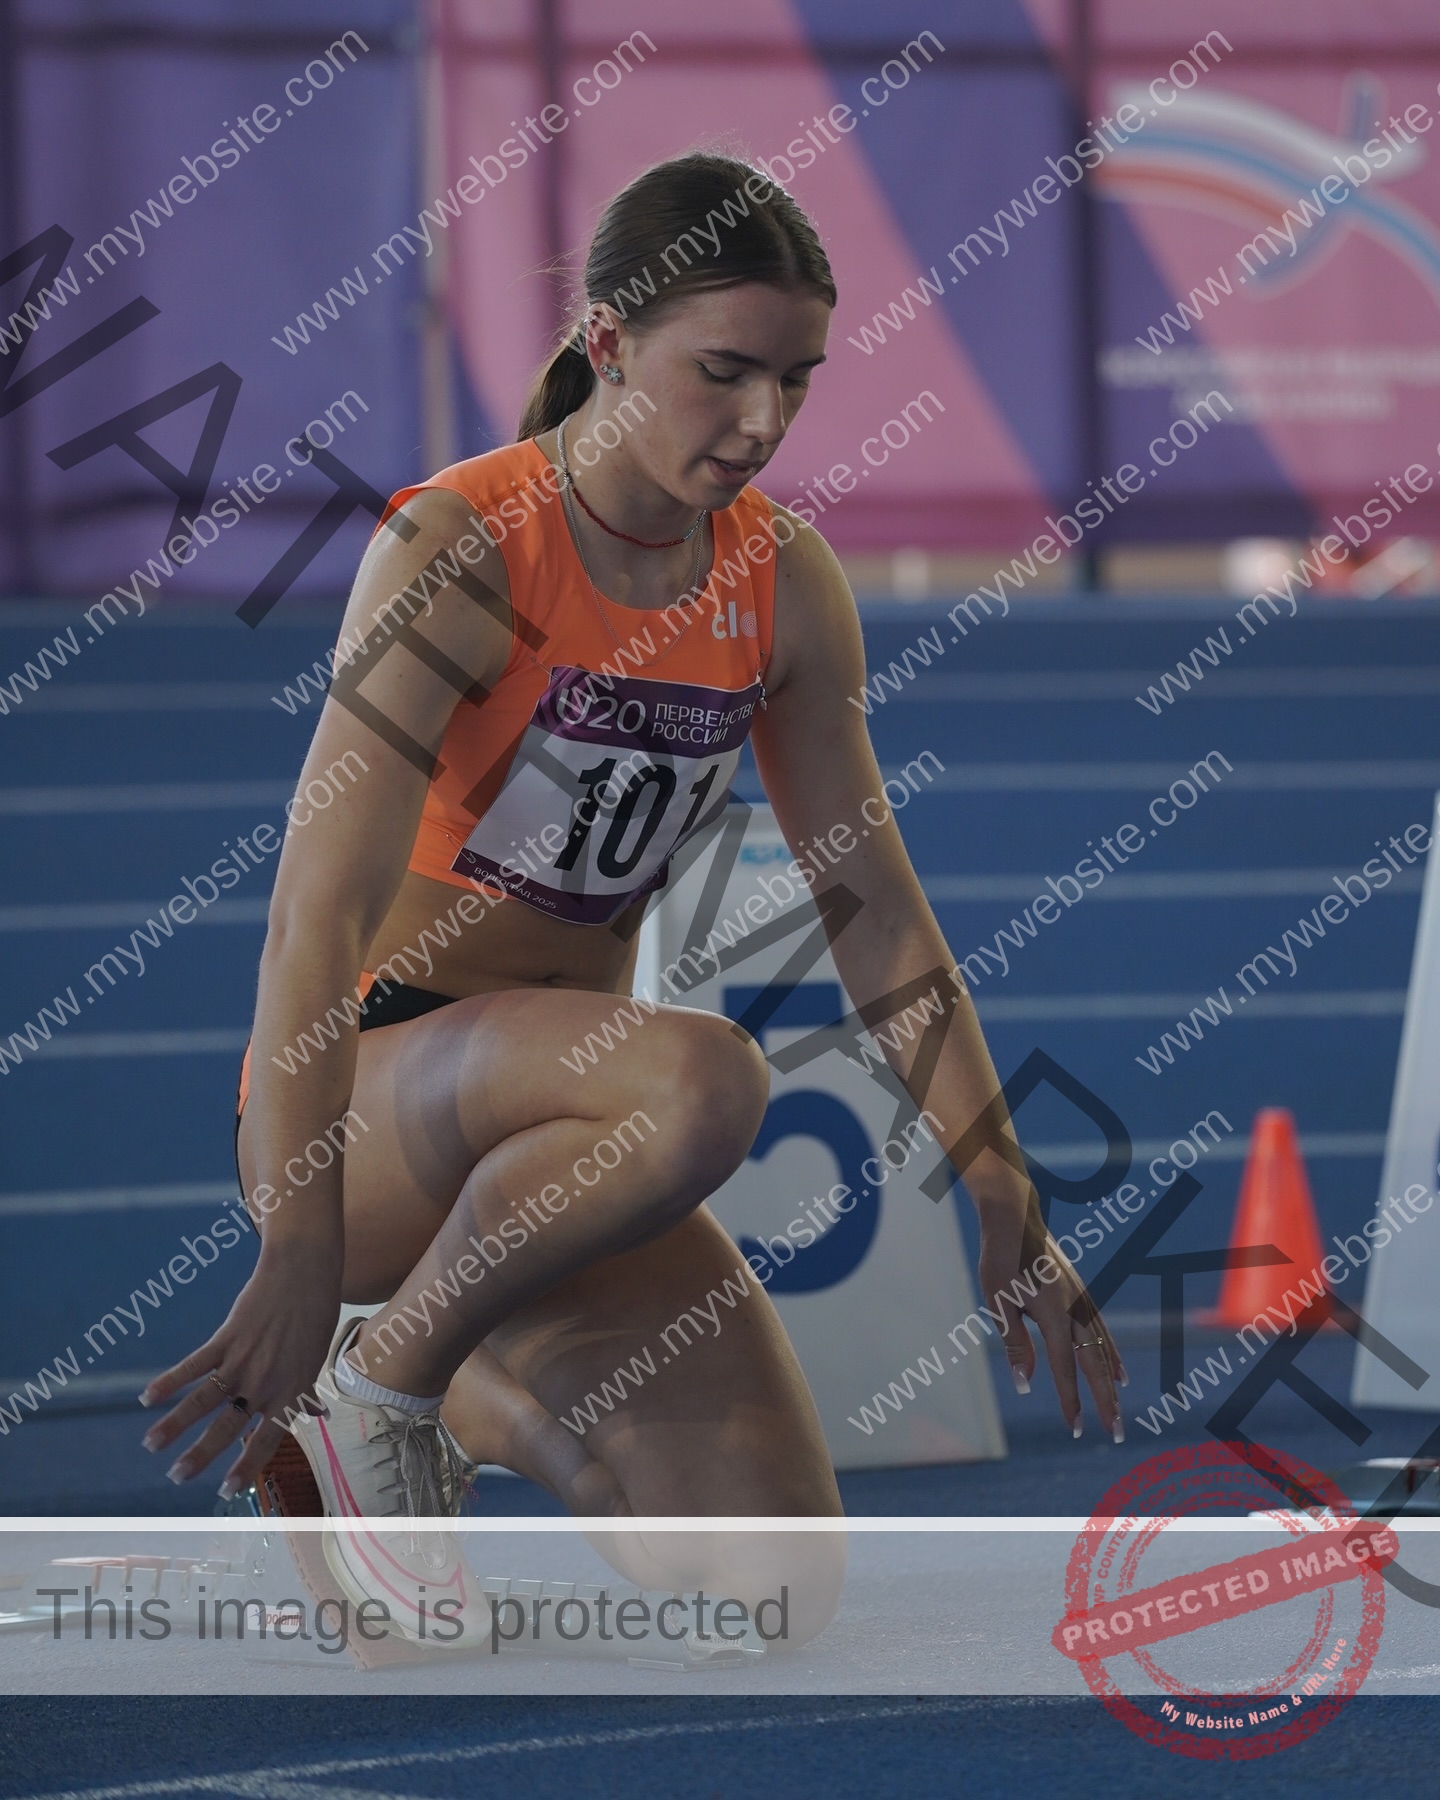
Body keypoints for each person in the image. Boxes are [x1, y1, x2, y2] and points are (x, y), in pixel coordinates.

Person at [138, 151, 1125, 1650]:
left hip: (570, 1154)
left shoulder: (782, 583)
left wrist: (998, 1185)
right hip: (386, 1107)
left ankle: (407, 1391)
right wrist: (295, 1237)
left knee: (771, 1592)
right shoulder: (462, 546)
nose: (762, 424)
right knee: (707, 1076)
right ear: (607, 342)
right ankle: (377, 1380)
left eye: (796, 382)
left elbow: (877, 912)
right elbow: (312, 926)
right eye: (723, 373)